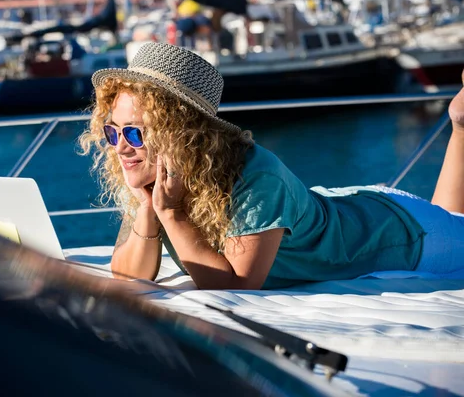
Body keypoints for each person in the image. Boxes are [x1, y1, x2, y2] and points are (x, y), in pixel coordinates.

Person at [78, 42, 464, 290]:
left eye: (135, 133)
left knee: (455, 224)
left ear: (181, 132)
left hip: (398, 233)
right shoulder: (153, 176)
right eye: (113, 133)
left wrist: (171, 212)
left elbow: (238, 286)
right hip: (347, 209)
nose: (121, 148)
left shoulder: (255, 174)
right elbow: (128, 274)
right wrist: (147, 208)